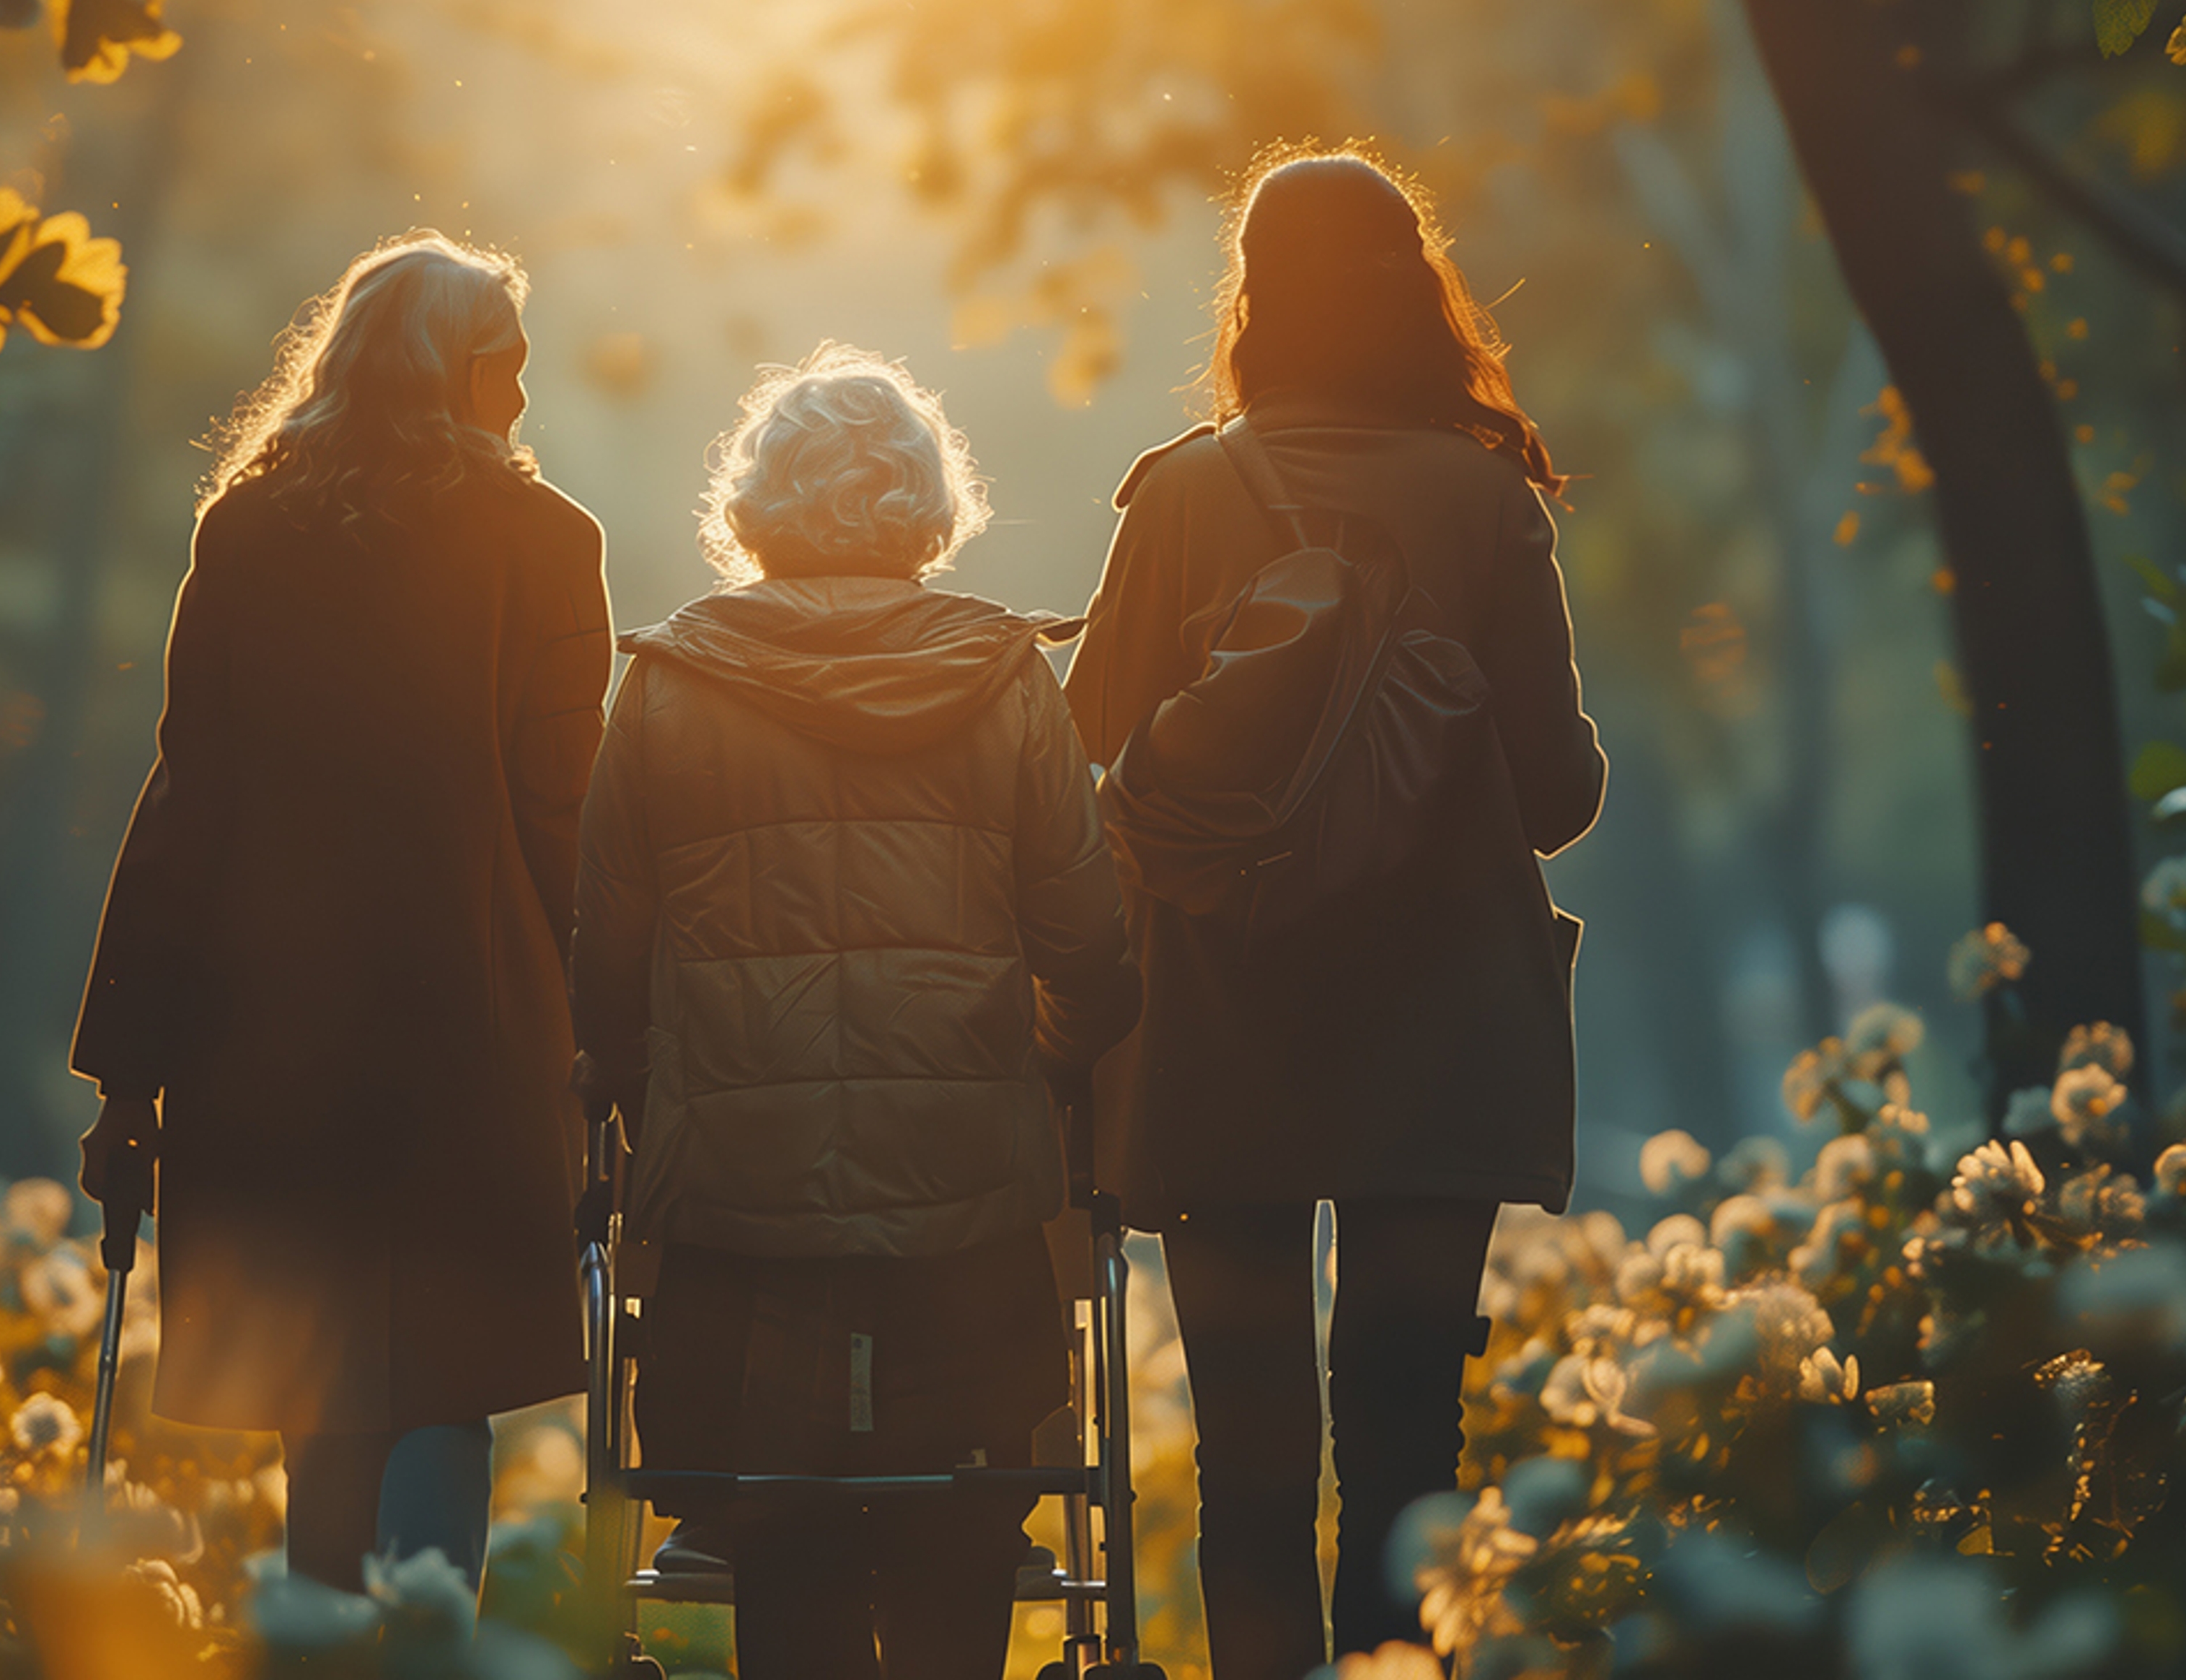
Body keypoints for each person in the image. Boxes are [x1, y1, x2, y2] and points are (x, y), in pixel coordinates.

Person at [1065, 147, 1605, 1672]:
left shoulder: (1178, 494)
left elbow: (1087, 745)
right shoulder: (1484, 498)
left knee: (1244, 1444)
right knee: (1405, 1438)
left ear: (1254, 297)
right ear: (1413, 293)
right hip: (1441, 1036)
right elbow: (1554, 795)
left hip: (1219, 1027)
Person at [570, 345, 1140, 1680]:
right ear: (926, 504)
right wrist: (1012, 1069)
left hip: (739, 1220)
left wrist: (685, 1098)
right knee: (963, 1549)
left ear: (756, 501)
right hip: (968, 1220)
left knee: (786, 1566)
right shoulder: (1007, 682)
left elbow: (607, 965)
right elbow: (1093, 956)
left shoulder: (666, 684)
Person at [69, 233, 611, 1594]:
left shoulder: (251, 532)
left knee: (327, 1389)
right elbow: (565, 812)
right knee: (449, 1377)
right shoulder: (550, 544)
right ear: (456, 372)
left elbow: (191, 794)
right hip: (477, 1028)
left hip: (273, 1035)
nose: (527, 403)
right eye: (513, 369)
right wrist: (616, 1026)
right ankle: (431, 1643)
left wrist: (128, 1070)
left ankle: (320, 1639)